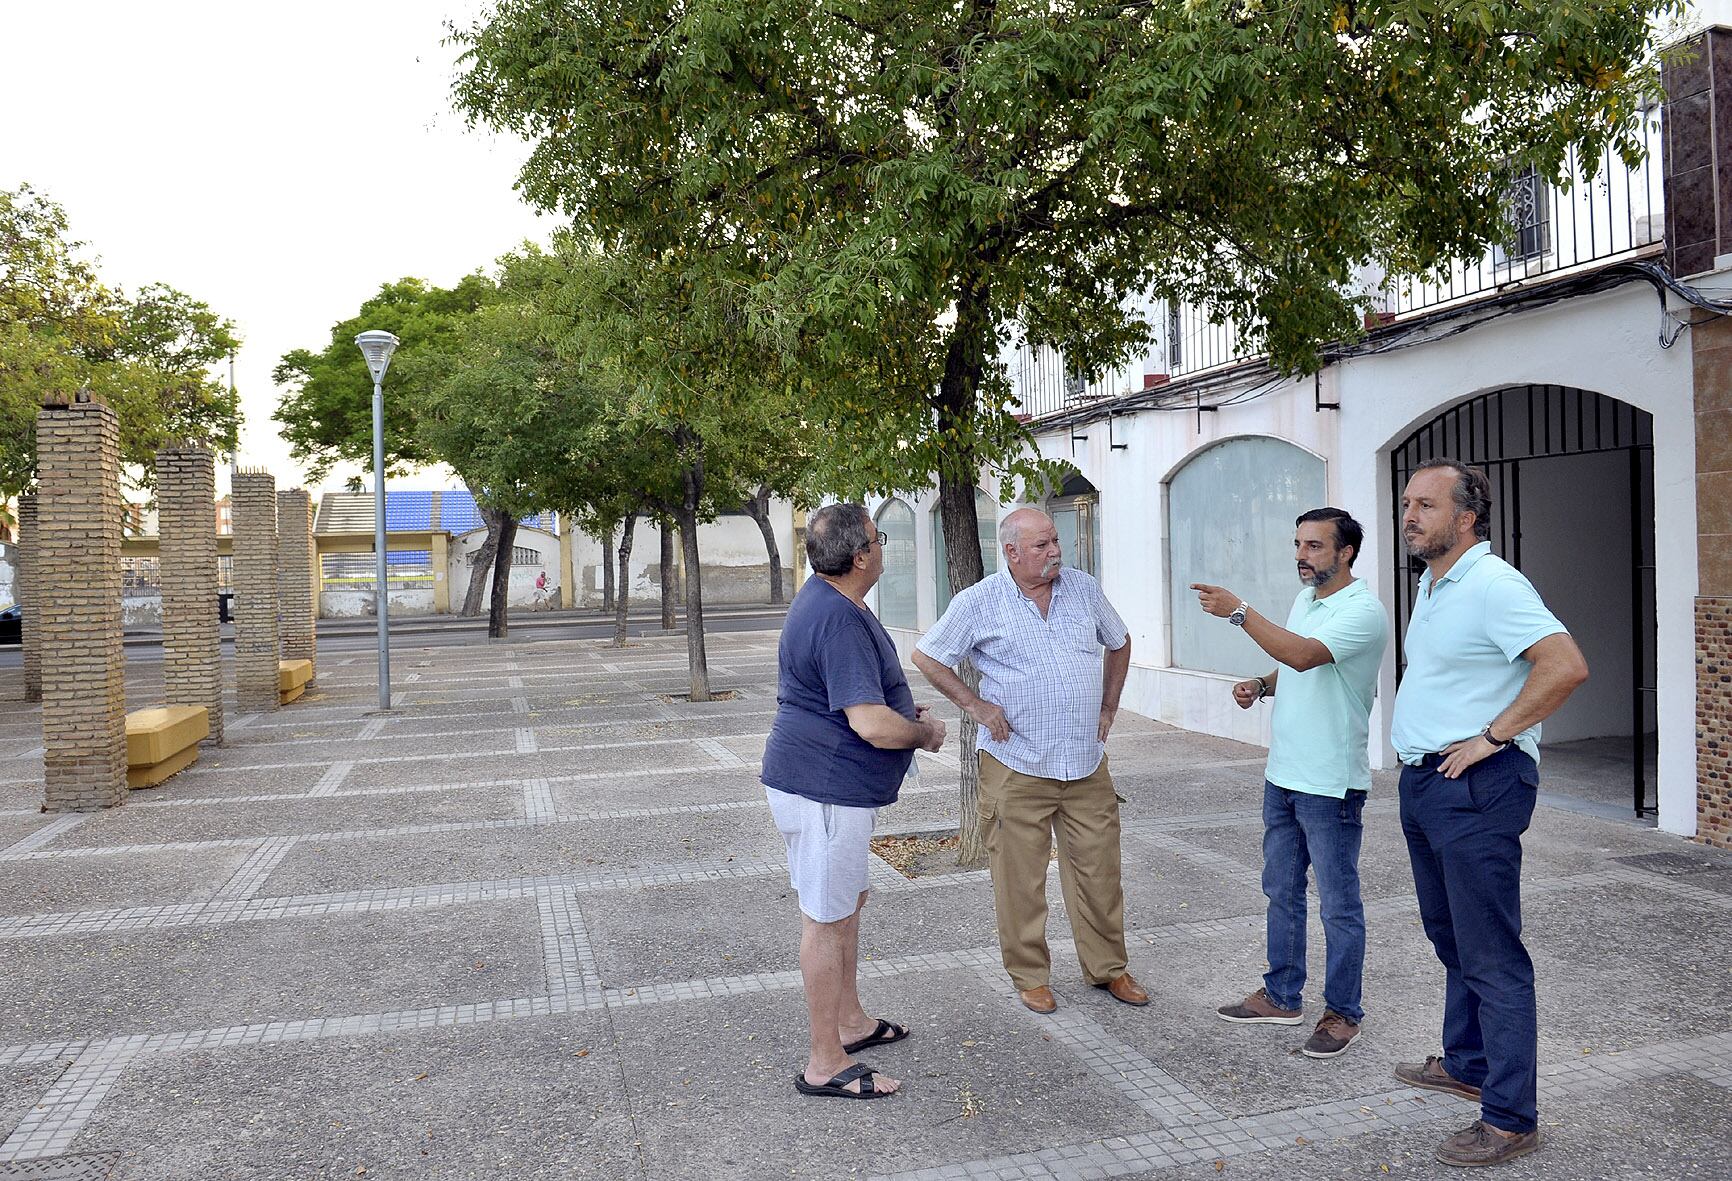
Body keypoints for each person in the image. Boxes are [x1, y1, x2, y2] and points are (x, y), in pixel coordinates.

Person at [1389, 458, 1588, 1168]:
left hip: (1478, 785)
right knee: (1453, 940)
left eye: (1425, 505)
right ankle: (1466, 1062)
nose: (1409, 514)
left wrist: (1492, 736)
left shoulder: (1495, 584)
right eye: (1407, 502)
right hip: (1428, 783)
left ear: (1466, 516)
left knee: (1493, 955)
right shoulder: (1434, 583)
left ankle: (1509, 1116)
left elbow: (1564, 664)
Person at [912, 507, 1146, 1014]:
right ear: (1012, 552)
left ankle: (1109, 969)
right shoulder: (979, 602)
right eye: (1041, 546)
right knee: (1020, 880)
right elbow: (928, 655)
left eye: (1055, 541)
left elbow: (1120, 642)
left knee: (1100, 873)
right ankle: (1030, 974)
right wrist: (975, 706)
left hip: (1085, 764)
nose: (1054, 552)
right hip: (1016, 765)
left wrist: (1109, 706)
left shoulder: (1083, 589)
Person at [760, 502, 946, 1101]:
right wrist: (921, 733)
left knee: (846, 904)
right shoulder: (837, 618)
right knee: (826, 917)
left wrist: (898, 712)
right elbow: (867, 723)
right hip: (825, 788)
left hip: (827, 786)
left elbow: (852, 698)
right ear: (862, 556)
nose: (881, 546)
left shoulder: (830, 599)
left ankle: (851, 1023)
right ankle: (824, 1061)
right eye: (879, 537)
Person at [1191, 508, 1387, 1060]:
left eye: (1316, 546)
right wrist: (1260, 683)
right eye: (1299, 544)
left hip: (1330, 784)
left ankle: (1344, 1012)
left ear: (1345, 552)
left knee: (1338, 905)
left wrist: (1238, 613)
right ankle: (1282, 995)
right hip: (1284, 776)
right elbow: (1296, 664)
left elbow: (1304, 655)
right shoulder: (1308, 601)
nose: (1302, 555)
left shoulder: (1364, 612)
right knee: (1281, 890)